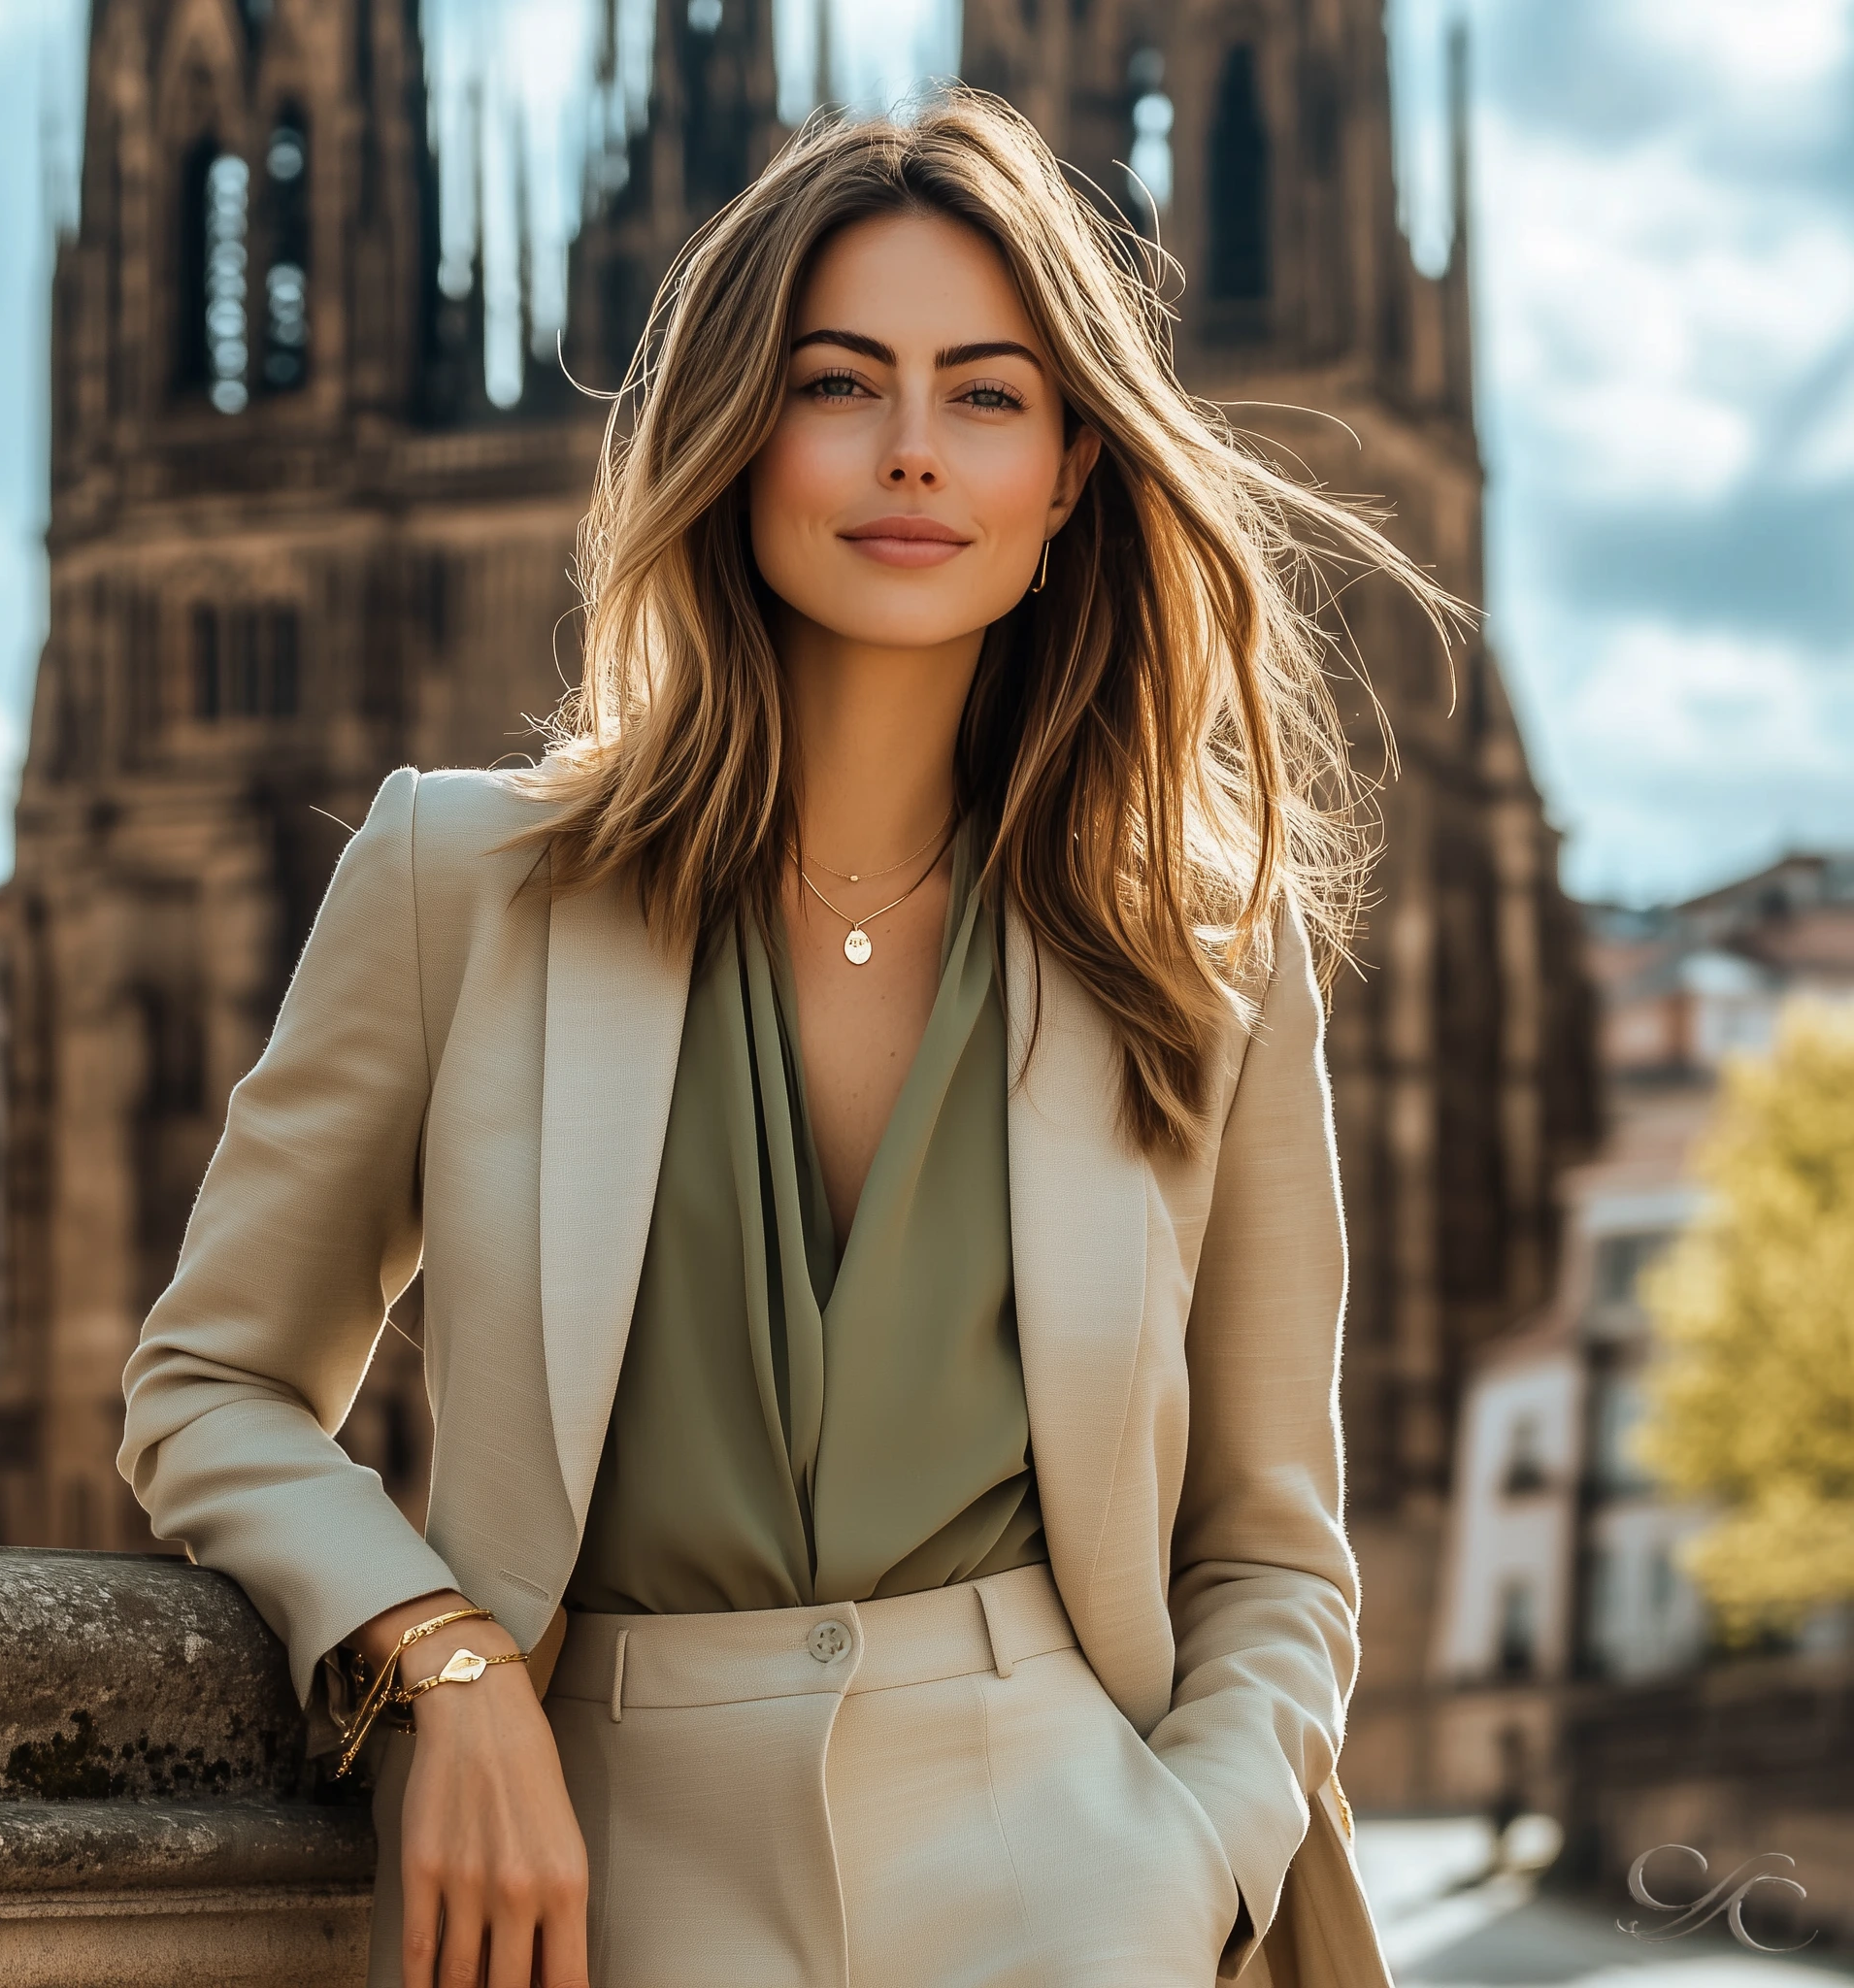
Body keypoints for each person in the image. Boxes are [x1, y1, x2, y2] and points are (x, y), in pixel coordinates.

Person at [119, 89, 1451, 1988]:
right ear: (728, 435)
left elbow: (1270, 1549)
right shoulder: (456, 878)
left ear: (1073, 467)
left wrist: (1188, 1863)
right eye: (839, 383)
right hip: (602, 1895)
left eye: (986, 394)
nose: (913, 451)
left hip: (1082, 1892)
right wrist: (442, 1651)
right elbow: (204, 1383)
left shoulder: (1204, 940)